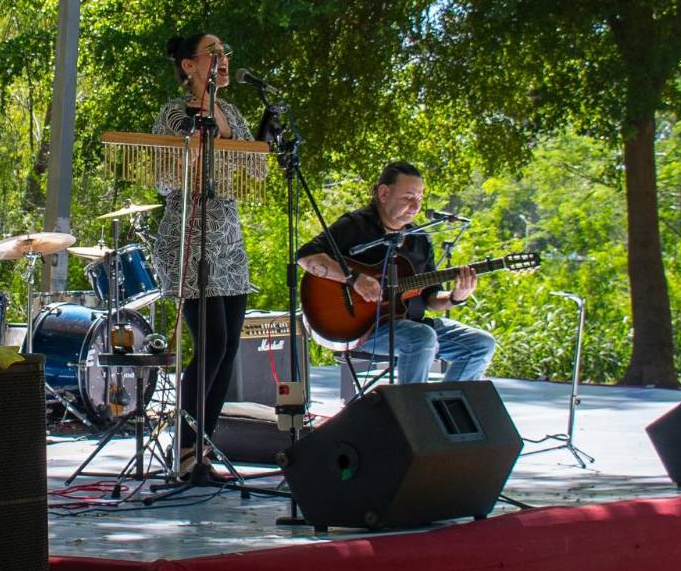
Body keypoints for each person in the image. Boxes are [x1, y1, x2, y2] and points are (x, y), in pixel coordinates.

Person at [296, 161, 496, 385]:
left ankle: (447, 403)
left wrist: (455, 297)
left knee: (481, 344)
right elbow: (305, 256)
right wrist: (354, 278)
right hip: (365, 329)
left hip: (411, 323)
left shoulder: (419, 240)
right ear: (383, 193)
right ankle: (412, 406)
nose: (415, 206)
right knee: (422, 337)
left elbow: (431, 298)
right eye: (408, 197)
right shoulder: (356, 226)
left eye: (419, 198)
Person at [153, 32, 252, 472]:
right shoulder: (175, 114)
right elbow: (164, 181)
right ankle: (184, 446)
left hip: (229, 240)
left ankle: (202, 448)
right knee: (211, 342)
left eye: (224, 51)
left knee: (228, 348)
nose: (222, 58)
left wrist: (222, 128)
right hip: (188, 238)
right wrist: (192, 151)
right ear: (189, 65)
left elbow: (252, 168)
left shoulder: (232, 113)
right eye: (213, 52)